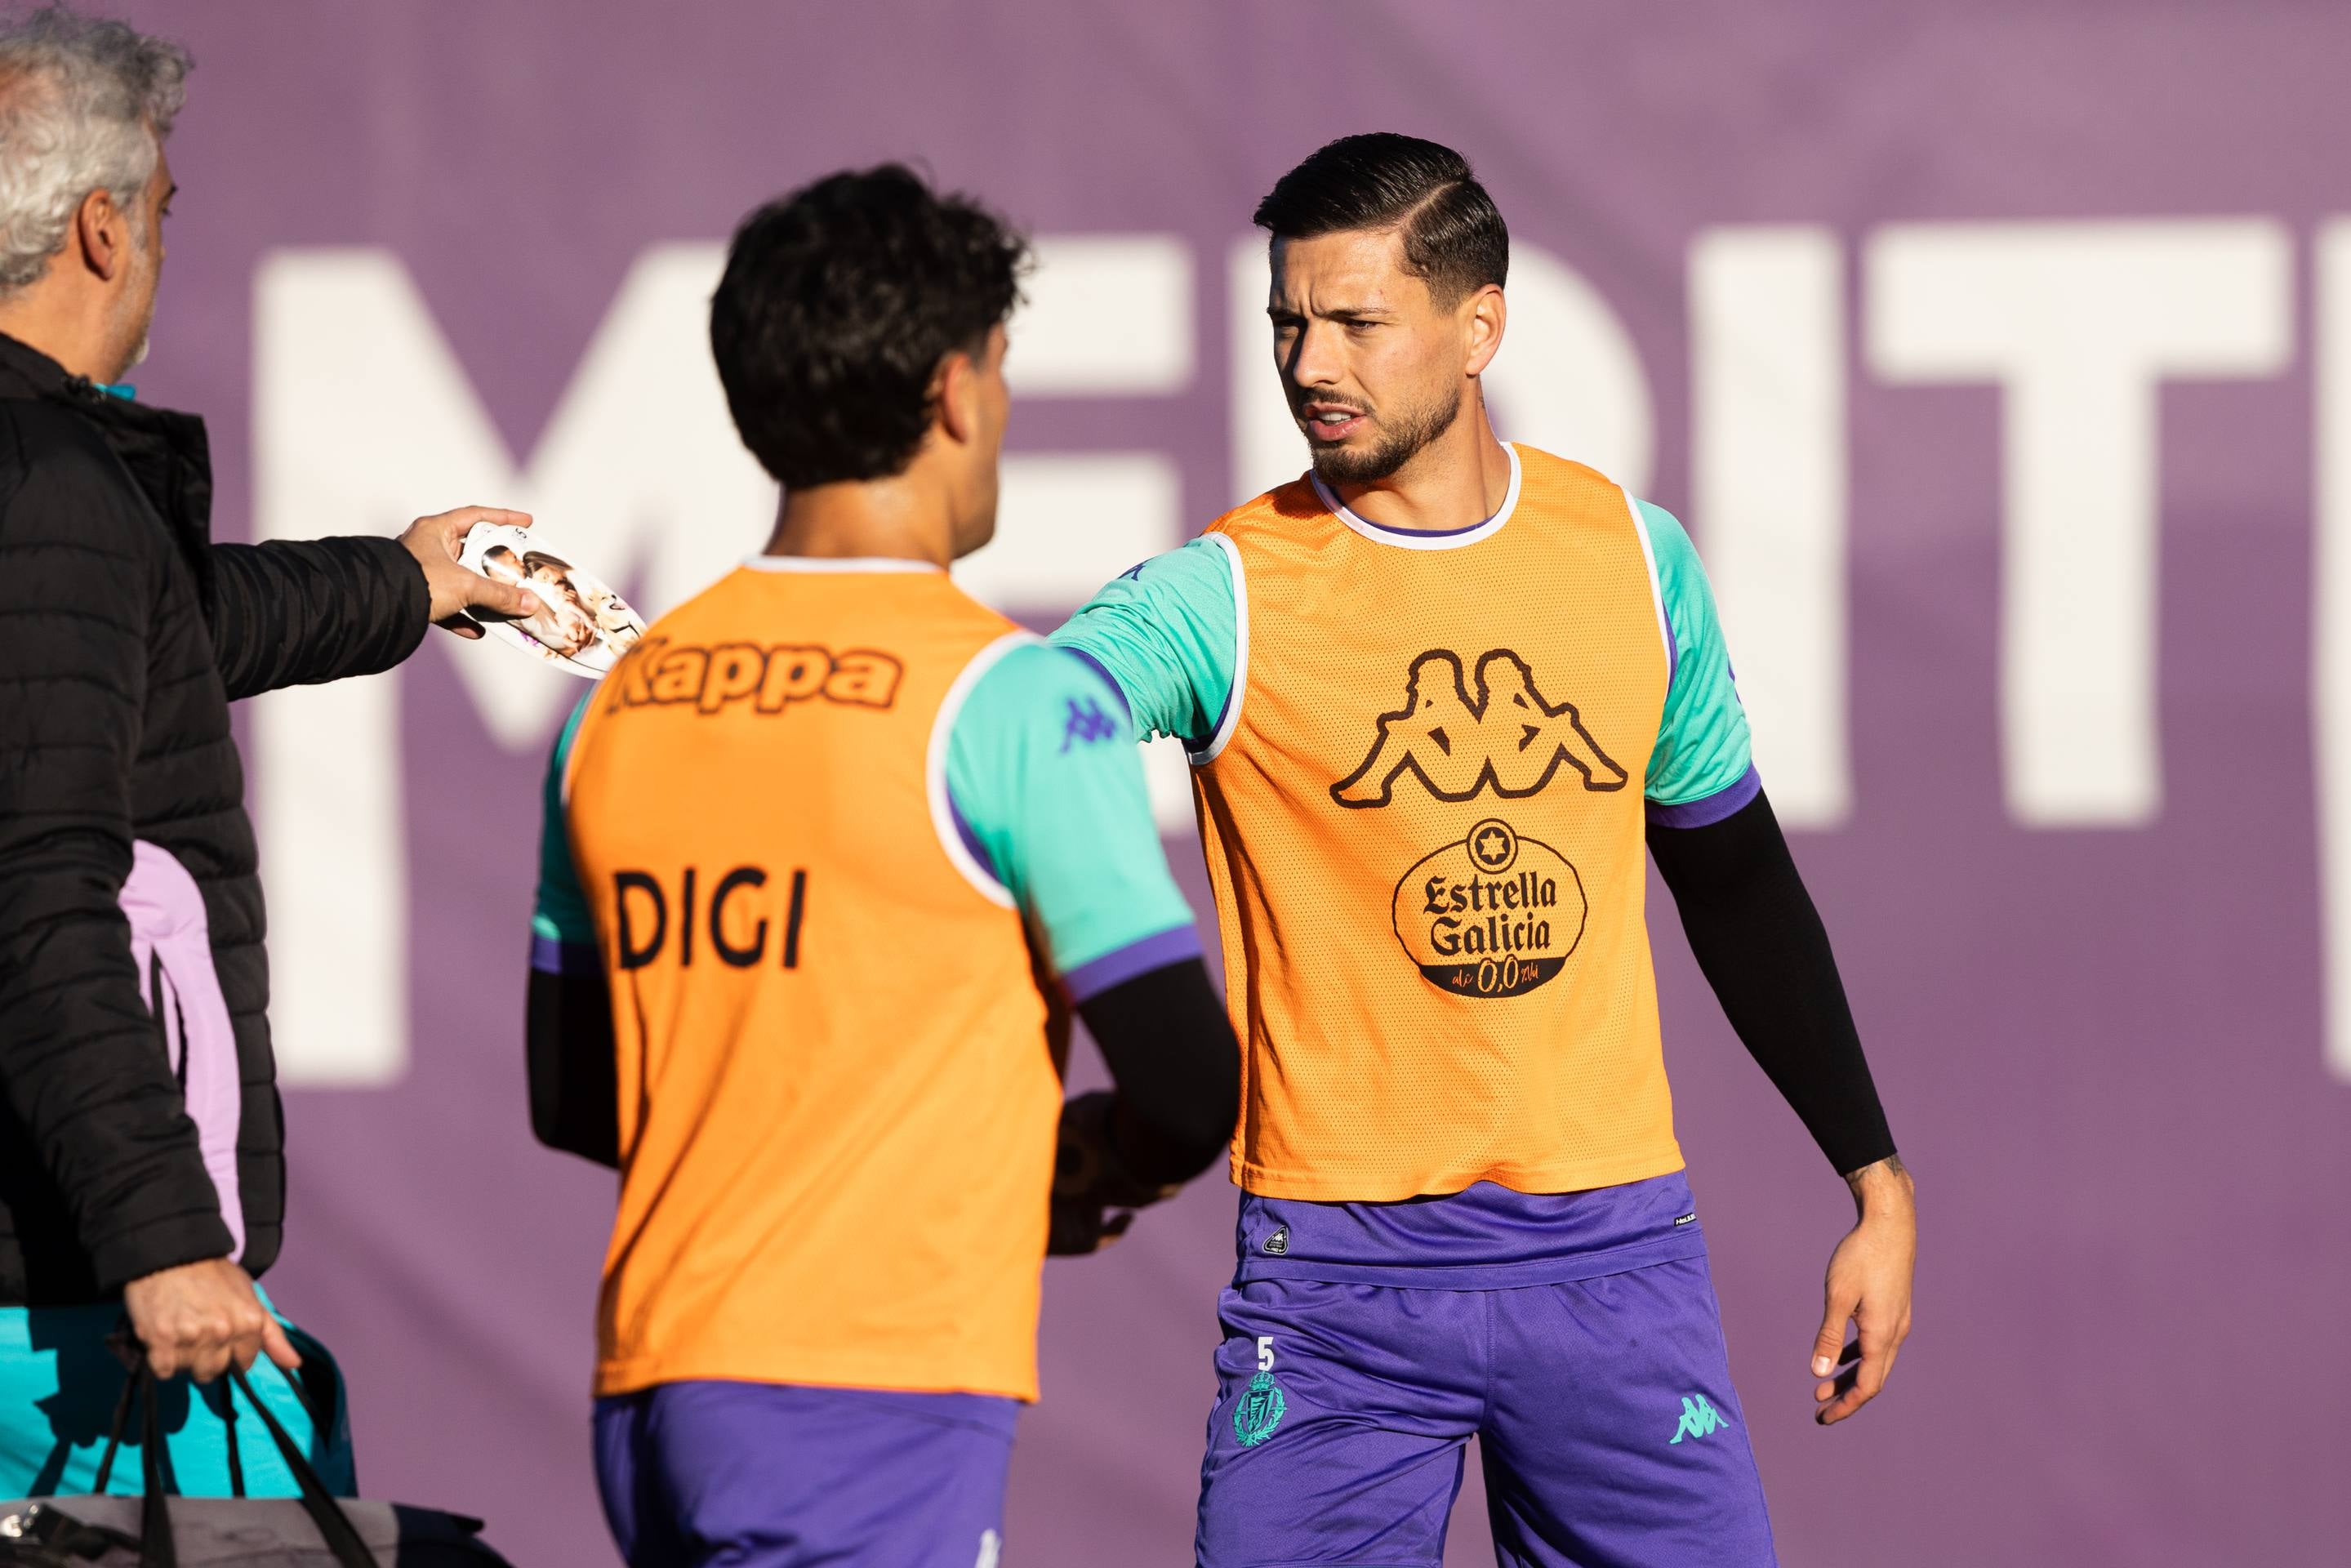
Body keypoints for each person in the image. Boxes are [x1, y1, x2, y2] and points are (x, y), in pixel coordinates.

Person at [1051, 132, 1917, 1566]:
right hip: (1334, 1288)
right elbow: (1031, 721)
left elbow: (1737, 877)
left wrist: (1875, 1187)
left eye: (1355, 322)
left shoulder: (1633, 559)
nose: (1309, 362)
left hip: (1615, 1259)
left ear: (1480, 328)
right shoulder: (1223, 595)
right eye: (1286, 321)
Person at [524, 165, 1242, 1568]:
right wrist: (1075, 1164)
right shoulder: (1014, 701)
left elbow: (576, 1097)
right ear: (958, 391)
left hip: (655, 1385)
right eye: (1004, 371)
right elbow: (1190, 1080)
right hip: (868, 1394)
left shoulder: (614, 702)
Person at [0, 7, 537, 1499]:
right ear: (102, 228)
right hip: (61, 1298)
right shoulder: (46, 489)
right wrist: (162, 1235)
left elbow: (158, 638)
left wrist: (409, 579)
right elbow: (36, 890)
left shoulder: (51, 492)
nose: (168, 243)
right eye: (165, 209)